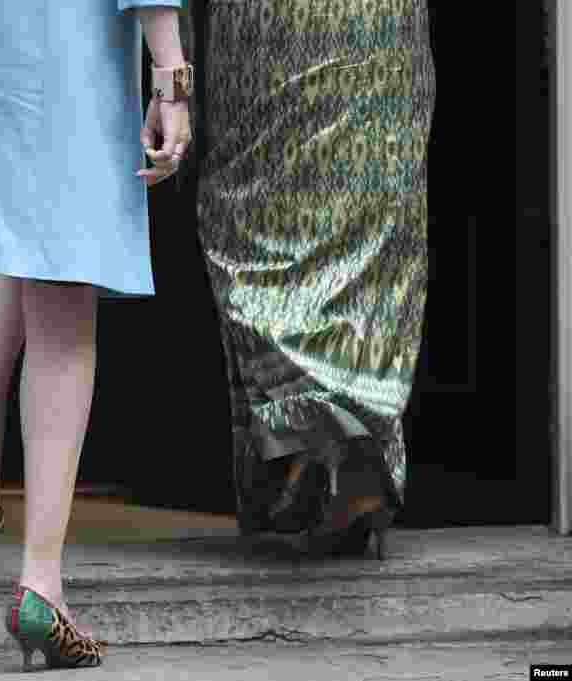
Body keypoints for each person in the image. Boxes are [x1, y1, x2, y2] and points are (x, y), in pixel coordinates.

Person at [0, 0, 192, 670]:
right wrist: (171, 72)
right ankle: (41, 586)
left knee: (17, 229)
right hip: (63, 38)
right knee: (65, 303)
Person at [190, 0, 437, 557]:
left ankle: (318, 438)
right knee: (374, 216)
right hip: (381, 29)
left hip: (272, 29)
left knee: (256, 212)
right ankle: (349, 436)